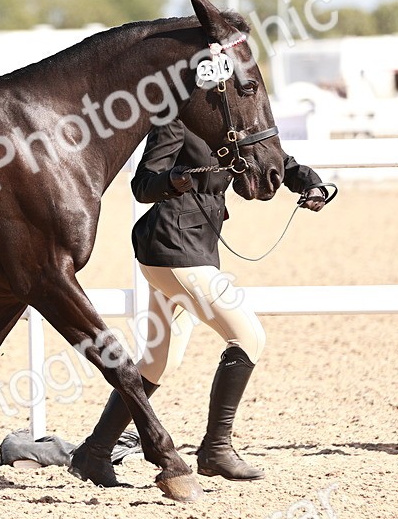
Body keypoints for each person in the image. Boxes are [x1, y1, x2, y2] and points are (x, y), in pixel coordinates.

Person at [69, 119, 331, 487]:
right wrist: (174, 179)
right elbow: (143, 185)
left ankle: (94, 453)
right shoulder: (175, 121)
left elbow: (275, 159)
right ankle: (215, 449)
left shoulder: (231, 120)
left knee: (159, 362)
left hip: (193, 249)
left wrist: (311, 183)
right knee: (249, 337)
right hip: (172, 247)